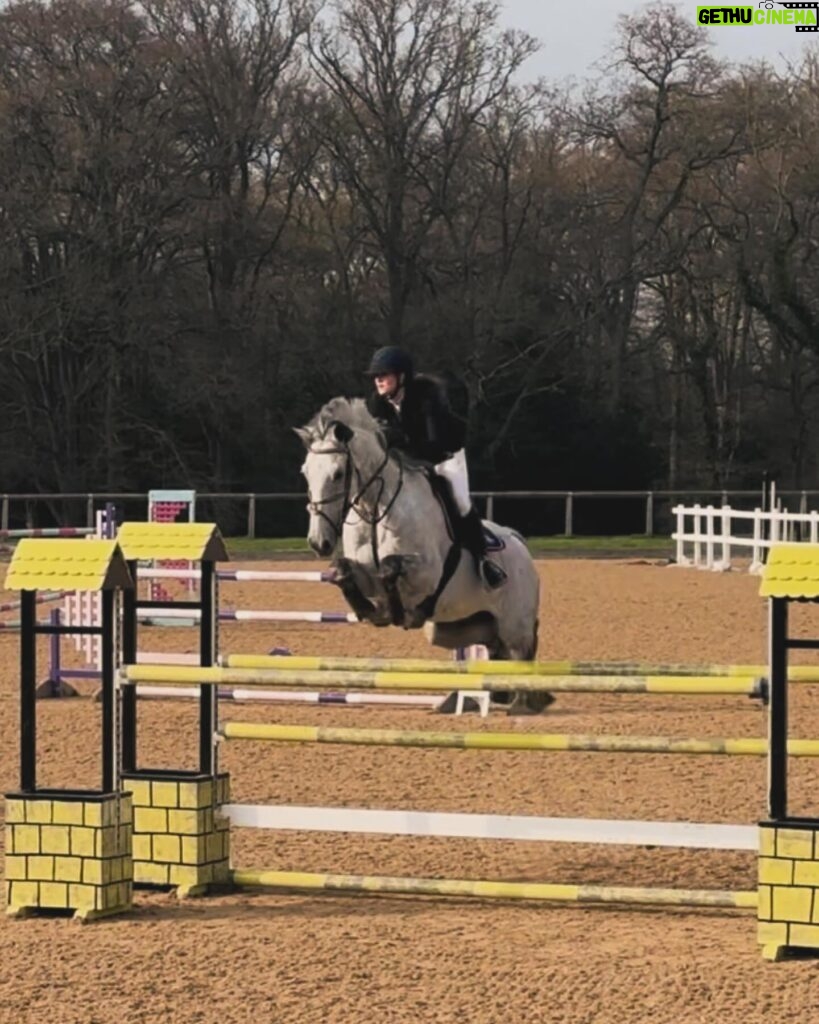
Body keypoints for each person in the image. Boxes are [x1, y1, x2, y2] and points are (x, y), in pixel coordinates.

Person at [364, 345, 507, 589]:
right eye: (376, 376)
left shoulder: (427, 396)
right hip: (407, 461)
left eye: (384, 374)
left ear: (401, 376)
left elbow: (434, 443)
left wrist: (399, 440)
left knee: (460, 502)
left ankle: (483, 560)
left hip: (445, 455)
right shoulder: (376, 403)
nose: (378, 380)